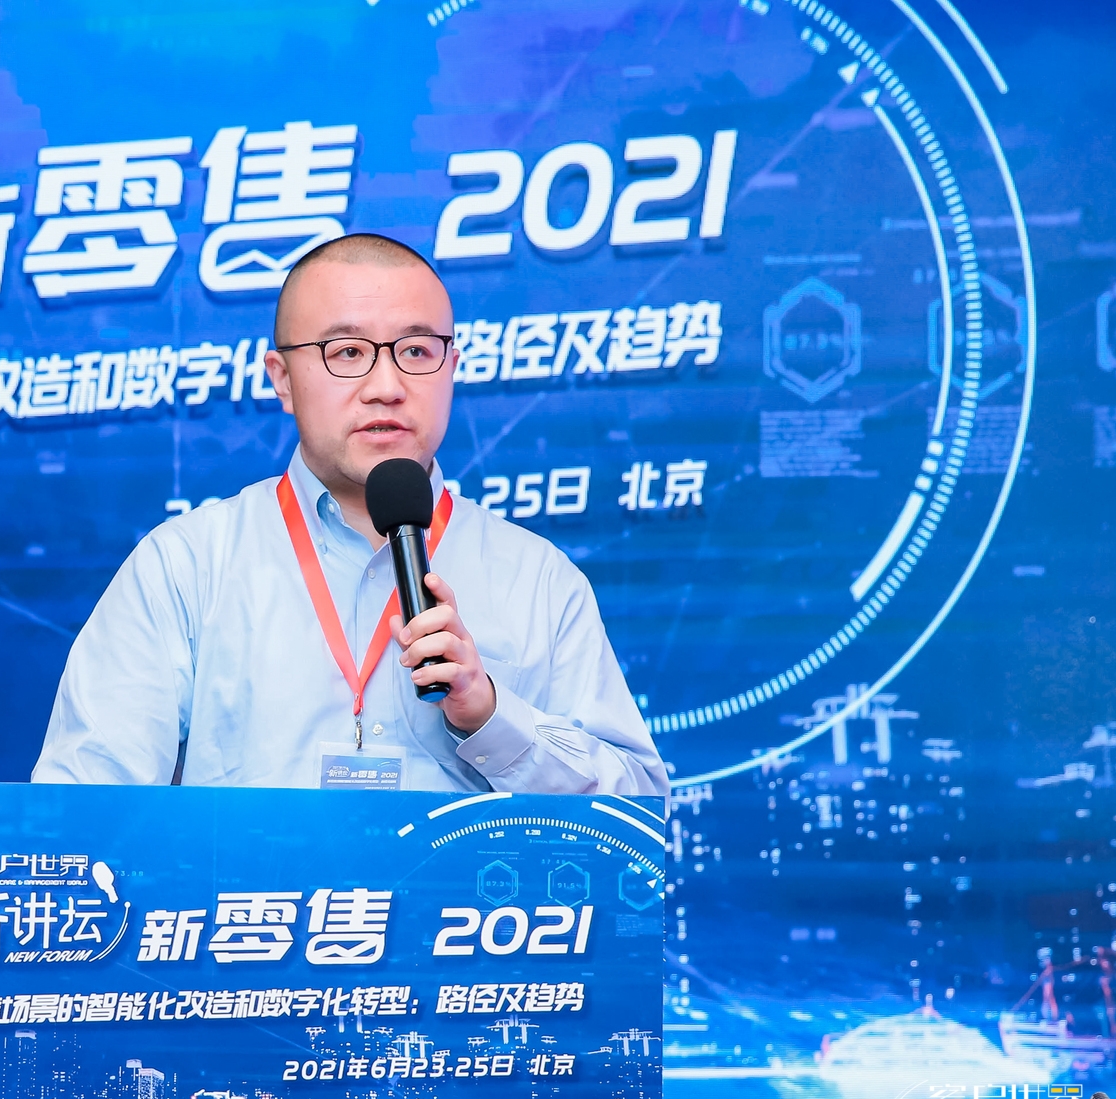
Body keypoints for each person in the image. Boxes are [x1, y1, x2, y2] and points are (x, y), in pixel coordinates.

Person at [33, 233, 667, 796]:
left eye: (416, 351)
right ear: (282, 378)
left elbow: (636, 813)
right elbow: (78, 809)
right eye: (347, 353)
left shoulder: (538, 578)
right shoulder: (187, 567)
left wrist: (490, 713)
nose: (386, 386)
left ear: (452, 366)